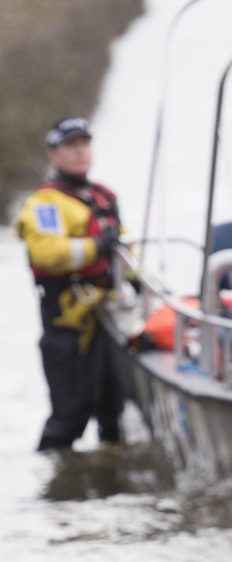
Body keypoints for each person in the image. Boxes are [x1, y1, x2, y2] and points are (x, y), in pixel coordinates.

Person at [15, 117, 124, 451]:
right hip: (67, 323)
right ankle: (53, 495)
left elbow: (124, 250)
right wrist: (96, 248)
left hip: (107, 319)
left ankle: (107, 487)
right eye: (71, 145)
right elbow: (48, 253)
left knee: (112, 411)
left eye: (85, 143)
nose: (80, 152)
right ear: (54, 155)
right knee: (68, 416)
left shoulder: (103, 195)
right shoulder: (47, 203)